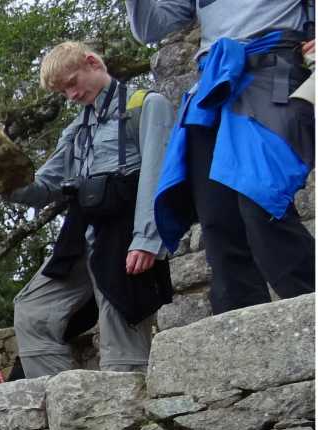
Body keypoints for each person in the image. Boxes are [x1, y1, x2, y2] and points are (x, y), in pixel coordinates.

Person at [0, 42, 175, 378]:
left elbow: (158, 173)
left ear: (92, 63)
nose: (70, 95)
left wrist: (147, 239)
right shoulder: (77, 129)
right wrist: (5, 179)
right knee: (33, 311)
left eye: (72, 83)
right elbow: (45, 186)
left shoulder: (146, 105)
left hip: (124, 234)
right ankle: (59, 403)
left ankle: (125, 417)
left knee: (121, 323)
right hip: (80, 237)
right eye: (62, 91)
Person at [128, 0, 315, 313]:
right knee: (217, 218)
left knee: (261, 201)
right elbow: (151, 28)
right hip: (214, 83)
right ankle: (240, 335)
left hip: (273, 68)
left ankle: (309, 307)